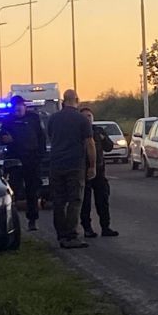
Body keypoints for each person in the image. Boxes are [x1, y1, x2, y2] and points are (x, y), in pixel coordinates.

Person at [46, 89, 96, 248]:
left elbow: (50, 137)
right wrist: (92, 165)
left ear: (63, 100)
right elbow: (90, 143)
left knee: (59, 201)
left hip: (56, 164)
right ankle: (71, 235)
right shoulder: (82, 119)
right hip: (75, 165)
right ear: (77, 100)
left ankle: (61, 235)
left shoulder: (53, 118)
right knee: (75, 200)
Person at [0, 95, 47, 231]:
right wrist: (5, 139)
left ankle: (32, 220)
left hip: (32, 159)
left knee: (32, 191)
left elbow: (41, 137)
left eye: (20, 105)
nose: (18, 108)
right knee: (15, 191)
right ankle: (12, 220)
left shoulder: (34, 118)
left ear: (25, 106)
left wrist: (40, 155)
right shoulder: (8, 120)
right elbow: (2, 137)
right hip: (15, 161)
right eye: (15, 106)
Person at [79, 107, 118, 238]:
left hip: (99, 171)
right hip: (84, 171)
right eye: (84, 116)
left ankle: (105, 227)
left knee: (103, 200)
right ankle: (87, 228)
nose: (87, 119)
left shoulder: (98, 130)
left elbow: (109, 147)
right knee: (85, 202)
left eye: (89, 116)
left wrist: (103, 139)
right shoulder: (78, 132)